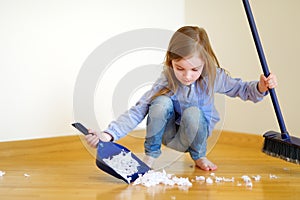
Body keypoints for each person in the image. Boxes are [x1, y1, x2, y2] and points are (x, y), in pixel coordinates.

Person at [85, 26, 277, 171]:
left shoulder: (213, 76)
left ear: (205, 62)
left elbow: (242, 89)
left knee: (193, 113)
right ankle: (150, 157)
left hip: (195, 134)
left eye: (194, 69)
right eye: (180, 68)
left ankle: (199, 156)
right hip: (168, 135)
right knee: (160, 102)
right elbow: (139, 109)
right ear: (171, 62)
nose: (187, 76)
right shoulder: (167, 79)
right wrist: (108, 135)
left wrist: (261, 87)